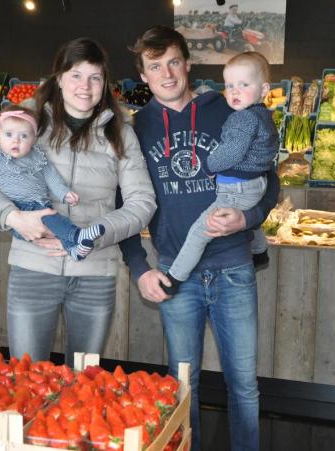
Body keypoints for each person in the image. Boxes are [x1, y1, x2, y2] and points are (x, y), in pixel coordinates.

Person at [122, 26, 279, 451]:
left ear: (187, 63)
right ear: (144, 74)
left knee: (244, 385)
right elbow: (123, 208)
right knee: (181, 386)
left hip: (232, 267)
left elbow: (270, 180)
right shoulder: (137, 129)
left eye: (174, 61)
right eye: (155, 66)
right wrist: (139, 268)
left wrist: (248, 216)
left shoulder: (226, 109)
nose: (167, 74)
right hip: (176, 274)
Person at [0, 38, 156, 365]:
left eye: (95, 77)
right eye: (76, 75)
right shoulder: (28, 123)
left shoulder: (120, 133)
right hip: (33, 267)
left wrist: (94, 234)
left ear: (104, 83)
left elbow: (142, 202)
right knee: (27, 375)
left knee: (81, 378)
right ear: (59, 77)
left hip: (95, 272)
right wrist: (14, 218)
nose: (86, 86)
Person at [161, 51, 277, 295]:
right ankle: (260, 252)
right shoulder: (263, 115)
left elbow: (231, 153)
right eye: (229, 85)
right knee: (248, 217)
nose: (234, 91)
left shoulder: (242, 119)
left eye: (243, 85)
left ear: (264, 89)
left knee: (199, 232)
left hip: (236, 187)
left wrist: (208, 166)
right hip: (255, 183)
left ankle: (174, 278)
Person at [0, 105, 105, 261]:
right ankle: (79, 235)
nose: (16, 140)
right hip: (18, 207)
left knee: (54, 223)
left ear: (34, 139)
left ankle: (74, 249)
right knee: (53, 220)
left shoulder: (37, 156)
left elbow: (52, 177)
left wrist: (64, 193)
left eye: (24, 136)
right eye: (8, 134)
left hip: (39, 203)